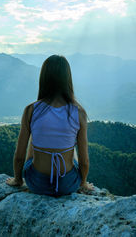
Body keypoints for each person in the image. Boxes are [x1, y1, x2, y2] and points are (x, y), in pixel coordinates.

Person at [6, 55, 94, 196]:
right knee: (72, 146)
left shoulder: (31, 110)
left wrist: (17, 179)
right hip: (68, 184)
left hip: (37, 183)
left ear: (44, 78)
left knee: (34, 139)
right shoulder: (79, 113)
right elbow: (84, 161)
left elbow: (19, 156)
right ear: (67, 79)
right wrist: (82, 183)